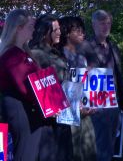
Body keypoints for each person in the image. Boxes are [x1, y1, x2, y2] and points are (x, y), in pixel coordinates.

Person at [77, 9, 123, 161]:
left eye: (108, 23)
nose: (106, 26)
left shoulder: (113, 46)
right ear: (93, 24)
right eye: (102, 23)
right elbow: (78, 75)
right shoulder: (84, 47)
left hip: (113, 105)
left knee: (110, 148)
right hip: (94, 106)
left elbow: (118, 75)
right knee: (96, 149)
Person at [0, 9, 44, 160]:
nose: (34, 29)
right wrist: (49, 104)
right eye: (30, 26)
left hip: (29, 114)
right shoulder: (12, 55)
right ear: (18, 28)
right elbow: (24, 87)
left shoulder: (23, 53)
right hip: (21, 114)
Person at [29, 14, 73, 161]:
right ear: (45, 31)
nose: (59, 32)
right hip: (47, 123)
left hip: (63, 118)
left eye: (59, 29)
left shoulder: (57, 53)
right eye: (55, 29)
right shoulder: (36, 54)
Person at [58, 16, 97, 161]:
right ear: (67, 33)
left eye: (83, 30)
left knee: (88, 151)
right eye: (78, 30)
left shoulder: (81, 57)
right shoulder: (60, 56)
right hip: (68, 117)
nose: (83, 33)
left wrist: (92, 102)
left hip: (85, 115)